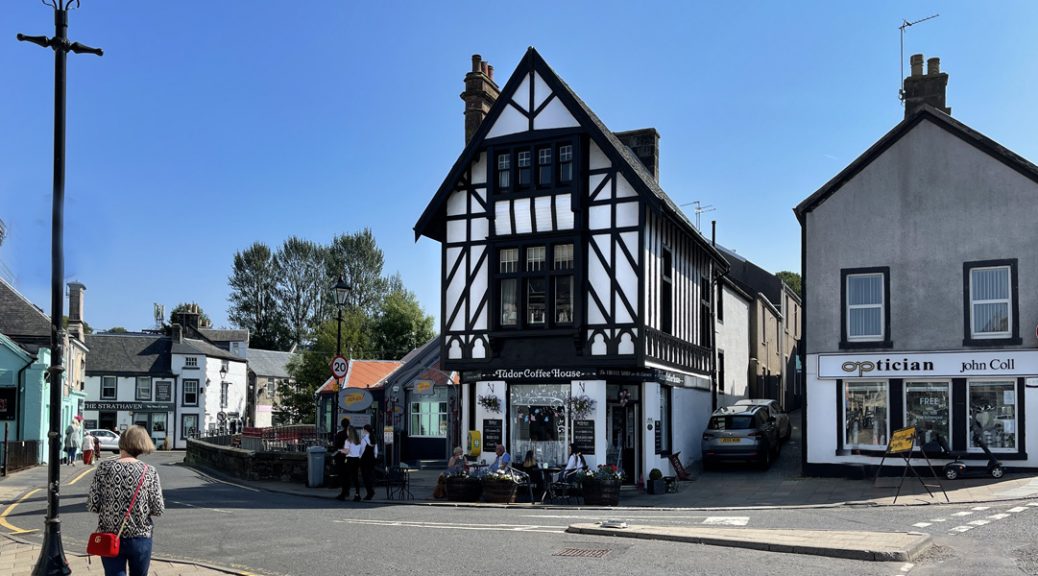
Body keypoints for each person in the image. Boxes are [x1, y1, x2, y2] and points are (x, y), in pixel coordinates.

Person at [87, 425, 164, 576]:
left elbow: (92, 505)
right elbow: (158, 509)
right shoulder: (149, 471)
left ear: (122, 442)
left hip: (110, 537)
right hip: (140, 537)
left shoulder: (105, 468)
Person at [339, 426, 363, 502]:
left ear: (350, 432)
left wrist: (341, 450)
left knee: (346, 477)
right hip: (357, 460)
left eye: (347, 431)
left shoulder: (347, 441)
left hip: (350, 460)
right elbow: (361, 452)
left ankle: (344, 494)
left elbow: (347, 451)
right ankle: (357, 494)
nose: (347, 432)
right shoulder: (359, 441)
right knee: (355, 478)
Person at [332, 417, 351, 500]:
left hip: (342, 457)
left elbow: (336, 446)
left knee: (342, 475)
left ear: (342, 425)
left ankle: (344, 492)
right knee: (348, 475)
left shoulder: (340, 434)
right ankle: (347, 491)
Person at [360, 424, 378, 501]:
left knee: (365, 476)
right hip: (371, 459)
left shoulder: (364, 439)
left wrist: (359, 458)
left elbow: (361, 450)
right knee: (370, 476)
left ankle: (370, 492)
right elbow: (376, 450)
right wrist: (375, 457)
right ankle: (371, 491)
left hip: (364, 460)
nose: (363, 431)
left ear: (366, 430)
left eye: (363, 430)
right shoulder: (373, 438)